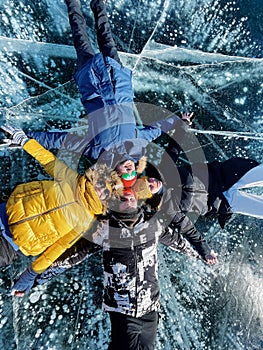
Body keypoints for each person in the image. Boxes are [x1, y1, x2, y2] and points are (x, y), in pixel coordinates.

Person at [32, 188, 215, 350]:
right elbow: (74, 255)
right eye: (122, 199)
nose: (128, 200)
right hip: (123, 312)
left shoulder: (153, 224)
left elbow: (179, 243)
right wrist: (38, 276)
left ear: (138, 199)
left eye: (130, 197)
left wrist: (203, 255)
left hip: (151, 310)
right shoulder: (104, 229)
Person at [26, 0, 192, 176]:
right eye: (133, 172)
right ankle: (98, 4)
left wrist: (28, 137)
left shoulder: (97, 153)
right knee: (107, 38)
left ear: (116, 173)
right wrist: (177, 121)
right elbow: (156, 130)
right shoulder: (138, 145)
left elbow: (63, 141)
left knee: (80, 38)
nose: (130, 169)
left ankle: (73, 4)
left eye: (125, 173)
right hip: (118, 83)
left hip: (93, 85)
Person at [0, 123, 115, 296]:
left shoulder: (87, 221)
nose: (101, 190)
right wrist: (24, 141)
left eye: (107, 192)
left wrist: (30, 274)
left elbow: (59, 248)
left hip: (10, 246)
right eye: (102, 184)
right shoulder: (73, 179)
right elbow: (47, 160)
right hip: (3, 211)